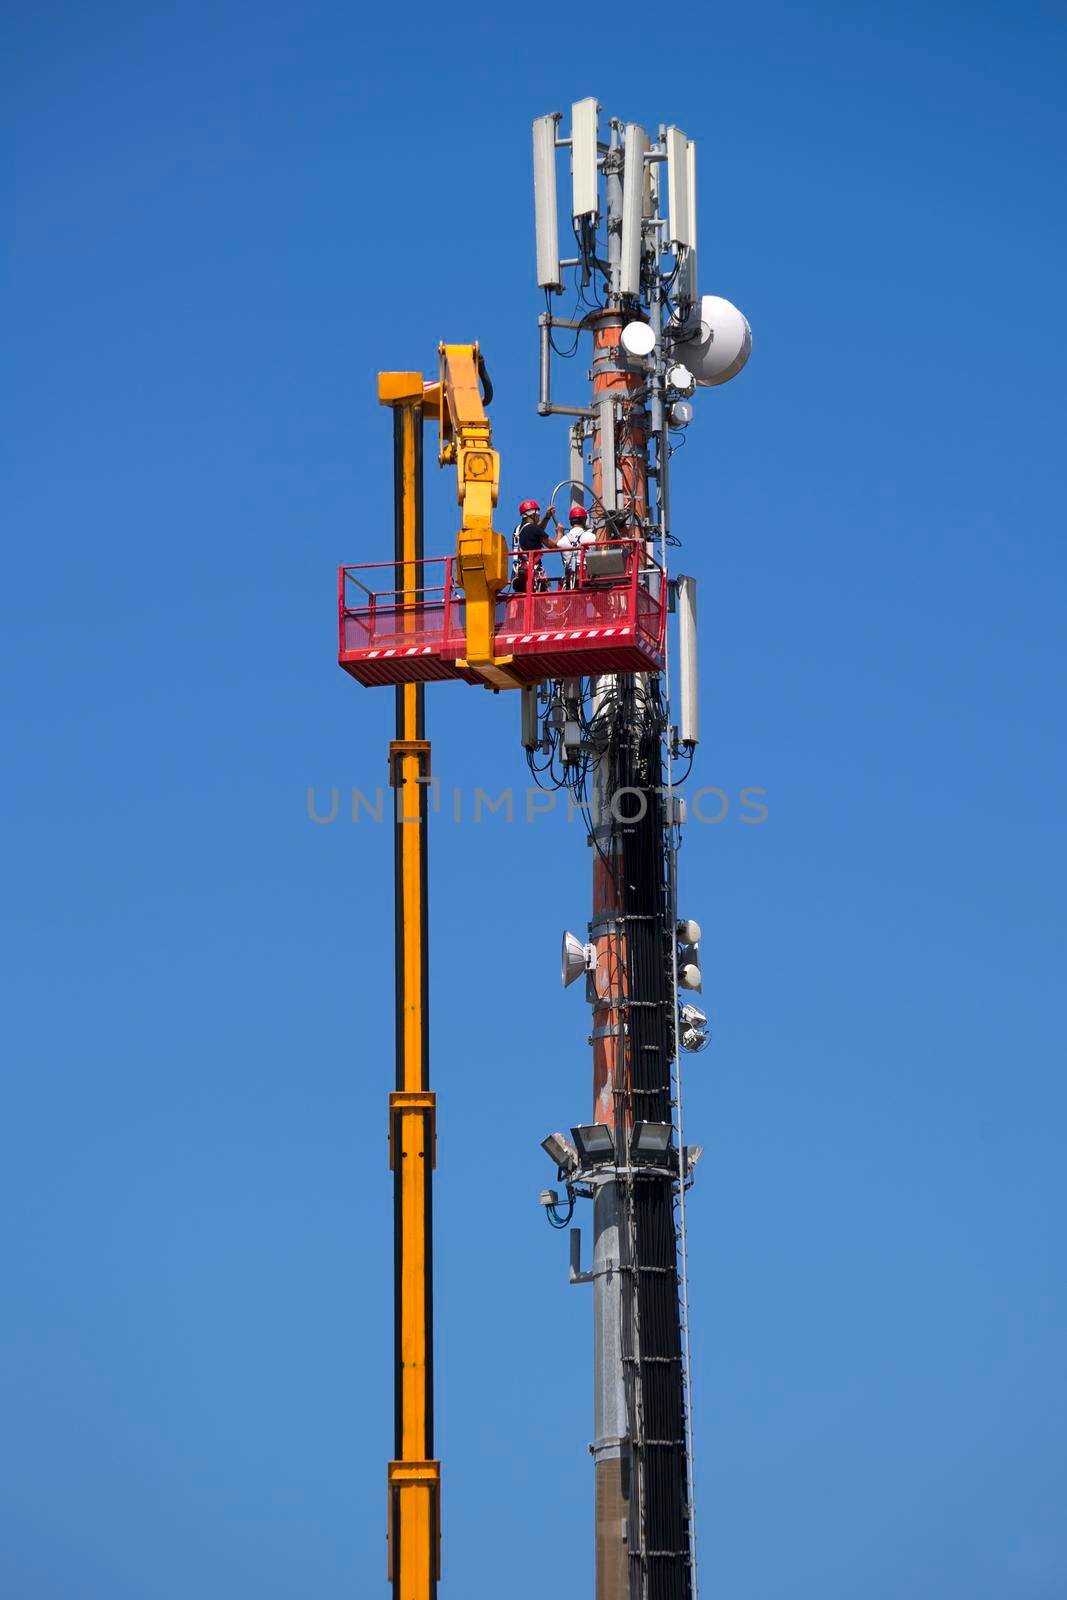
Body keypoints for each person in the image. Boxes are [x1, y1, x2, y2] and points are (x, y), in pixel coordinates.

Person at [511, 499, 560, 593]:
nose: (539, 517)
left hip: (518, 577)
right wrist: (559, 533)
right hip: (532, 578)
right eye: (538, 515)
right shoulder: (534, 529)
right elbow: (554, 545)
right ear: (533, 515)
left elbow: (537, 530)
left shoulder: (517, 530)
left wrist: (547, 517)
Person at [556, 503, 597, 588]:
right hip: (587, 579)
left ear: (571, 521)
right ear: (584, 520)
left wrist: (560, 533)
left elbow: (557, 544)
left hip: (569, 580)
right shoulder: (591, 537)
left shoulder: (562, 541)